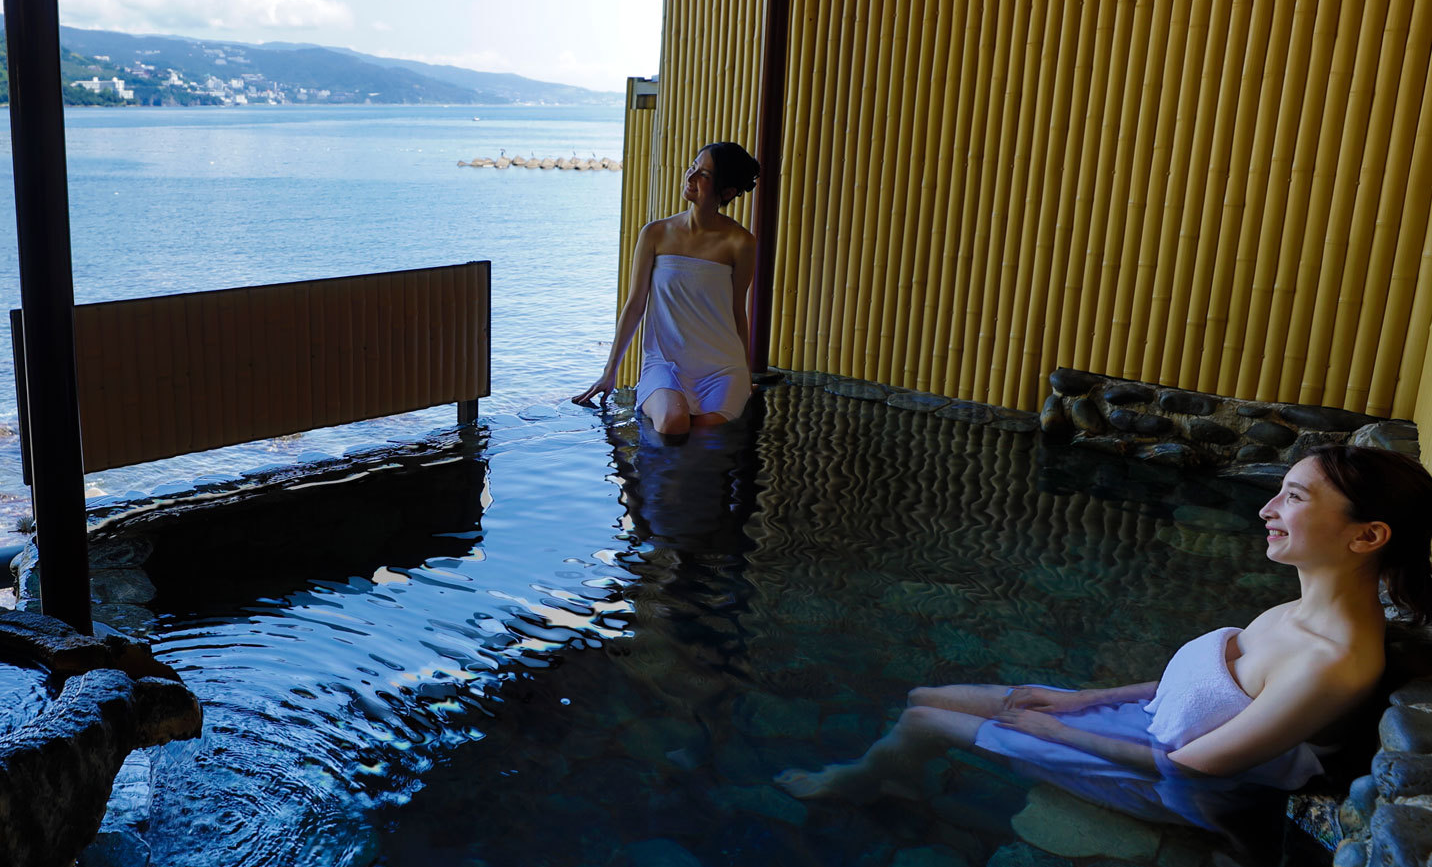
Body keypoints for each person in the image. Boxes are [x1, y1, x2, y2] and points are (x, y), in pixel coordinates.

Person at [773, 445, 1432, 824]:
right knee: (927, 691)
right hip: (1144, 721)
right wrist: (1081, 696)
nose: (1266, 508)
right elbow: (1198, 682)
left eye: (1292, 496)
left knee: (922, 719)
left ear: (1368, 535)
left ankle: (864, 779)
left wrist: (1055, 732)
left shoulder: (1334, 660)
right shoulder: (1302, 610)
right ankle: (899, 774)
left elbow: (1194, 764)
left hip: (1166, 780)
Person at [574, 143, 760, 442]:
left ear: (726, 192)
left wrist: (745, 373)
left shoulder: (740, 243)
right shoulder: (655, 234)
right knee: (674, 422)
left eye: (704, 174)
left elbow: (738, 310)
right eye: (693, 167)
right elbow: (635, 305)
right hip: (665, 362)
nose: (691, 176)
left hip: (722, 367)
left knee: (707, 431)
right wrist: (609, 372)